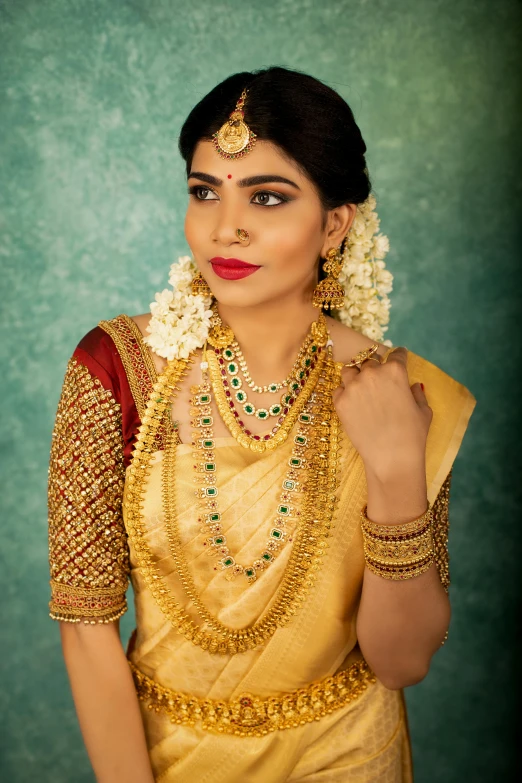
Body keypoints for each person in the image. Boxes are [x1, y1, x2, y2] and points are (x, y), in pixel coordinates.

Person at [47, 66, 476, 782]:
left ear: (335, 223)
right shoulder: (115, 370)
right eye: (204, 191)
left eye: (267, 197)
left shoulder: (404, 394)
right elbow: (86, 626)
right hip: (163, 758)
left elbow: (401, 661)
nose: (226, 227)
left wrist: (397, 470)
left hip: (349, 758)